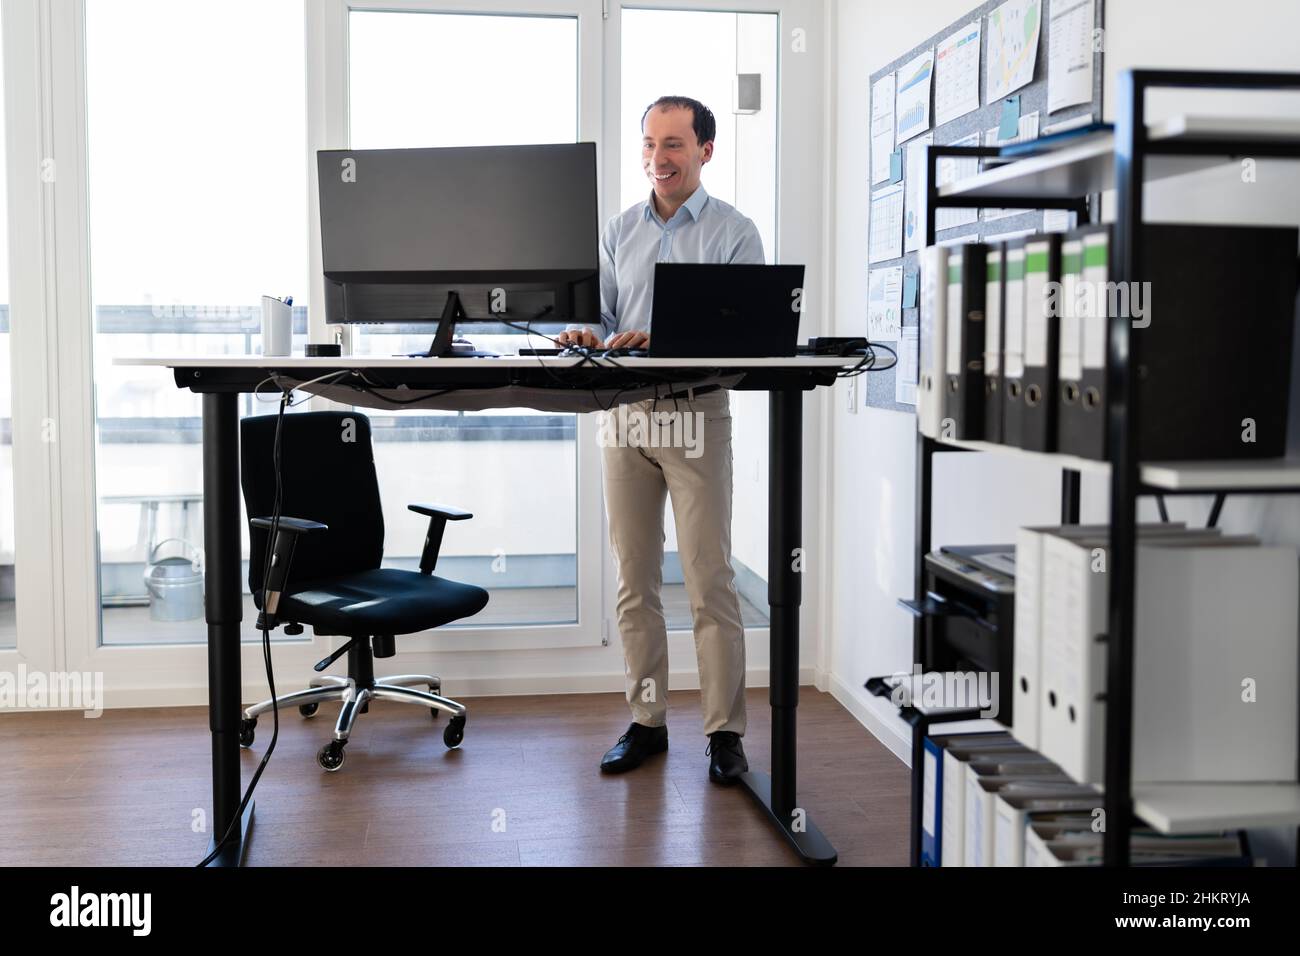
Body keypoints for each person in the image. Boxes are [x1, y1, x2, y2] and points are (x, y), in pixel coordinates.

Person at [558, 95, 764, 784]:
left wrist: (670, 342)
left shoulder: (735, 233)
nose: (658, 157)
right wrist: (588, 331)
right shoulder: (620, 231)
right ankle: (647, 721)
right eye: (649, 143)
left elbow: (746, 340)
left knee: (710, 581)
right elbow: (604, 315)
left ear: (706, 151)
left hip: (696, 415)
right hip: (625, 417)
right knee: (633, 582)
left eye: (673, 144)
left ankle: (724, 734)